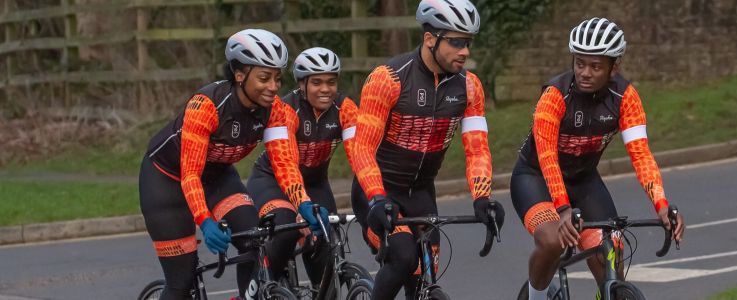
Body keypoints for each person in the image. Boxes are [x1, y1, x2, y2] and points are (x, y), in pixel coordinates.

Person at [509, 18, 686, 300]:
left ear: (614, 67)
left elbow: (641, 154)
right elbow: (547, 157)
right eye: (580, 63)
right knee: (553, 240)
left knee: (612, 250)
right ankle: (535, 296)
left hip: (584, 180)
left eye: (596, 66)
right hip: (536, 177)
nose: (585, 73)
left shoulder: (625, 97)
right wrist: (563, 209)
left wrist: (661, 205)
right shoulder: (555, 96)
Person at [139, 29, 313, 299]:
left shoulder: (276, 111)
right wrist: (205, 221)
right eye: (264, 78)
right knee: (181, 280)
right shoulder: (206, 106)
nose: (274, 86)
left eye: (278, 78)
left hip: (218, 177)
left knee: (254, 242)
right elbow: (190, 175)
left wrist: (304, 203)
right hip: (167, 181)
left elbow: (285, 164)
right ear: (240, 75)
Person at [349, 0, 505, 298]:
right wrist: (377, 198)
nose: (465, 51)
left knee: (425, 272)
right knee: (404, 258)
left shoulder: (469, 87)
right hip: (378, 191)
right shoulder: (388, 79)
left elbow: (477, 150)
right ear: (430, 39)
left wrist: (482, 197)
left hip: (421, 192)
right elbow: (362, 148)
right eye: (456, 41)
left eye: (468, 42)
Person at [246, 47, 358, 288]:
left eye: (331, 82)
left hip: (315, 183)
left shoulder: (345, 108)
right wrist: (300, 203)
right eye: (317, 82)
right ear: (302, 84)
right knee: (286, 230)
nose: (325, 89)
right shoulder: (286, 110)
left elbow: (361, 155)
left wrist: (374, 195)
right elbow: (286, 164)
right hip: (273, 181)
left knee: (326, 244)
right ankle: (257, 288)